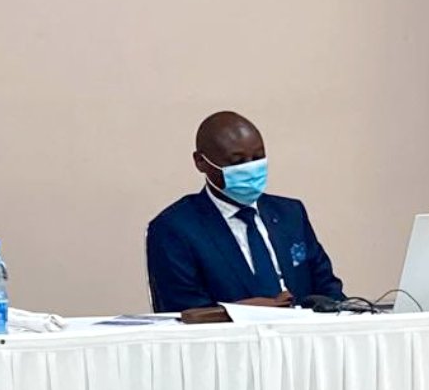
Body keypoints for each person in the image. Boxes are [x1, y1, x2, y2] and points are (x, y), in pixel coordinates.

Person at [146, 111, 343, 313]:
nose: (250, 167)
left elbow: (328, 289)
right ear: (201, 162)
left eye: (258, 158)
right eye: (237, 161)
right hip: (227, 341)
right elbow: (180, 311)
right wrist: (240, 313)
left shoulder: (290, 214)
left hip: (299, 338)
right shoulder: (174, 228)